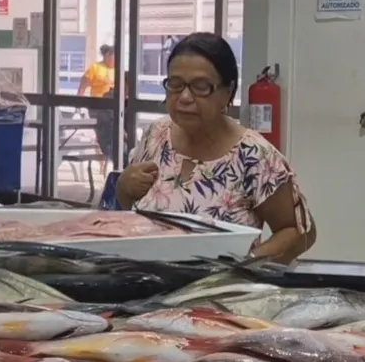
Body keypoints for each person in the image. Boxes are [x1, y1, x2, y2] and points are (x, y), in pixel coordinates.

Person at [116, 33, 315, 263]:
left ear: (227, 93)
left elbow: (300, 232)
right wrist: (123, 187)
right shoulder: (156, 135)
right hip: (146, 279)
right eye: (175, 85)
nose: (184, 97)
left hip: (220, 284)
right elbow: (132, 209)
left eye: (201, 87)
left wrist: (243, 265)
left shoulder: (253, 155)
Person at [78, 45, 117, 175]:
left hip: (113, 107)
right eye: (114, 56)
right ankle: (105, 158)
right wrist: (78, 103)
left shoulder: (118, 70)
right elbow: (83, 85)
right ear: (107, 55)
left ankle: (111, 158)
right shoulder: (95, 68)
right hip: (98, 107)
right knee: (103, 131)